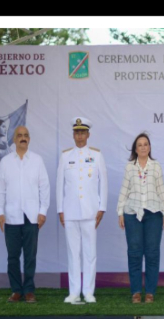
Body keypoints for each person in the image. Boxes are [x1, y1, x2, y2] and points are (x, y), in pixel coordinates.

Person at [0, 125, 50, 303]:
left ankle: (29, 291)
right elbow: (0, 189)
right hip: (11, 216)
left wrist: (42, 211)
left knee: (30, 256)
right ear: (14, 139)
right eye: (19, 135)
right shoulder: (6, 162)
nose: (23, 138)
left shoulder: (37, 160)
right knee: (12, 256)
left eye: (26, 135)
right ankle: (16, 290)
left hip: (31, 216)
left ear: (29, 139)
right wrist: (0, 212)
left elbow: (44, 187)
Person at [57, 117, 108, 304]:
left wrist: (102, 207)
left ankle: (88, 291)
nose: (79, 136)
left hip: (90, 211)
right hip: (70, 212)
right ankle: (74, 292)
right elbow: (59, 185)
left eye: (83, 132)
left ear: (88, 134)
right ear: (73, 134)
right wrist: (60, 209)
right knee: (73, 253)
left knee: (89, 253)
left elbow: (103, 183)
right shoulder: (65, 156)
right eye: (76, 132)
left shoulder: (97, 156)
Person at [117, 133, 164, 304]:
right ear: (135, 149)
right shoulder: (129, 167)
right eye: (140, 145)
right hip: (132, 213)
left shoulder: (156, 166)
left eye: (146, 144)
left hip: (154, 213)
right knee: (134, 253)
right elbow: (124, 190)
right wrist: (120, 212)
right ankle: (136, 292)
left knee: (153, 253)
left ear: (150, 147)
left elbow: (161, 189)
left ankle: (150, 292)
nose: (143, 147)